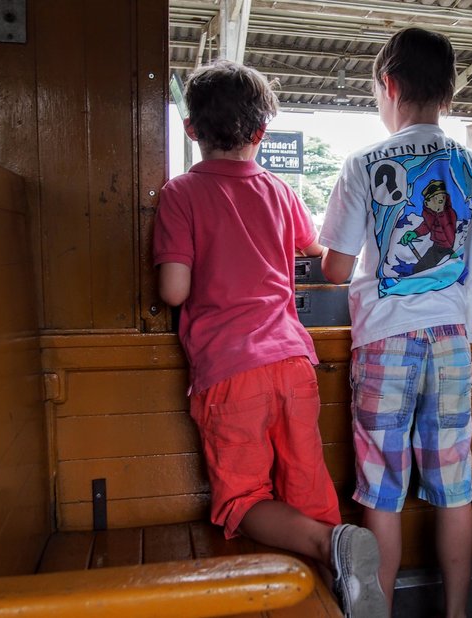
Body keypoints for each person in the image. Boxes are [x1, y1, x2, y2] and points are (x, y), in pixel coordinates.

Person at [152, 60, 387, 618]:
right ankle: (342, 584)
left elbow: (175, 290)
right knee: (306, 481)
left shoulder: (180, 193)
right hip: (292, 360)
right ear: (262, 133)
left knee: (243, 499)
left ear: (191, 131)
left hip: (230, 370)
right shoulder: (280, 191)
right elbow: (312, 247)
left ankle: (325, 546)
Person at [319, 28, 472, 618]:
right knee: (455, 491)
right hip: (450, 342)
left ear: (390, 85)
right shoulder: (471, 164)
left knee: (382, 493)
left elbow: (336, 269)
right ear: (448, 94)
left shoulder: (362, 163)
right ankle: (455, 613)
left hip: (383, 343)